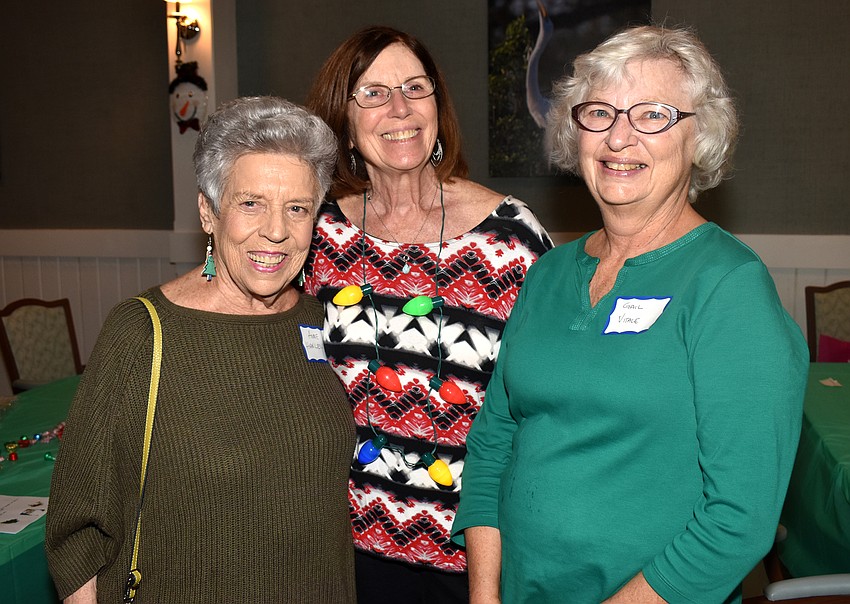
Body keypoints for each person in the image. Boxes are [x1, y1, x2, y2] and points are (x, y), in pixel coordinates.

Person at [452, 25, 809, 604]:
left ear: (701, 137)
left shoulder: (729, 287)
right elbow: (495, 441)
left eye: (653, 116)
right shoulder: (547, 274)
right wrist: (486, 594)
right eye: (600, 113)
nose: (620, 138)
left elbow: (739, 520)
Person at [45, 96, 357, 603]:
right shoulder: (141, 333)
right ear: (208, 213)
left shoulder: (323, 321)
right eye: (250, 203)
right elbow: (77, 531)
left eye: (297, 208)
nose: (276, 231)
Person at [303, 26, 552, 603]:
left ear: (438, 106)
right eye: (373, 93)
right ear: (343, 119)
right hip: (344, 551)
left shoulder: (511, 237)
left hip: (477, 554)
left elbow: (546, 399)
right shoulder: (317, 235)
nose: (400, 108)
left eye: (416, 88)